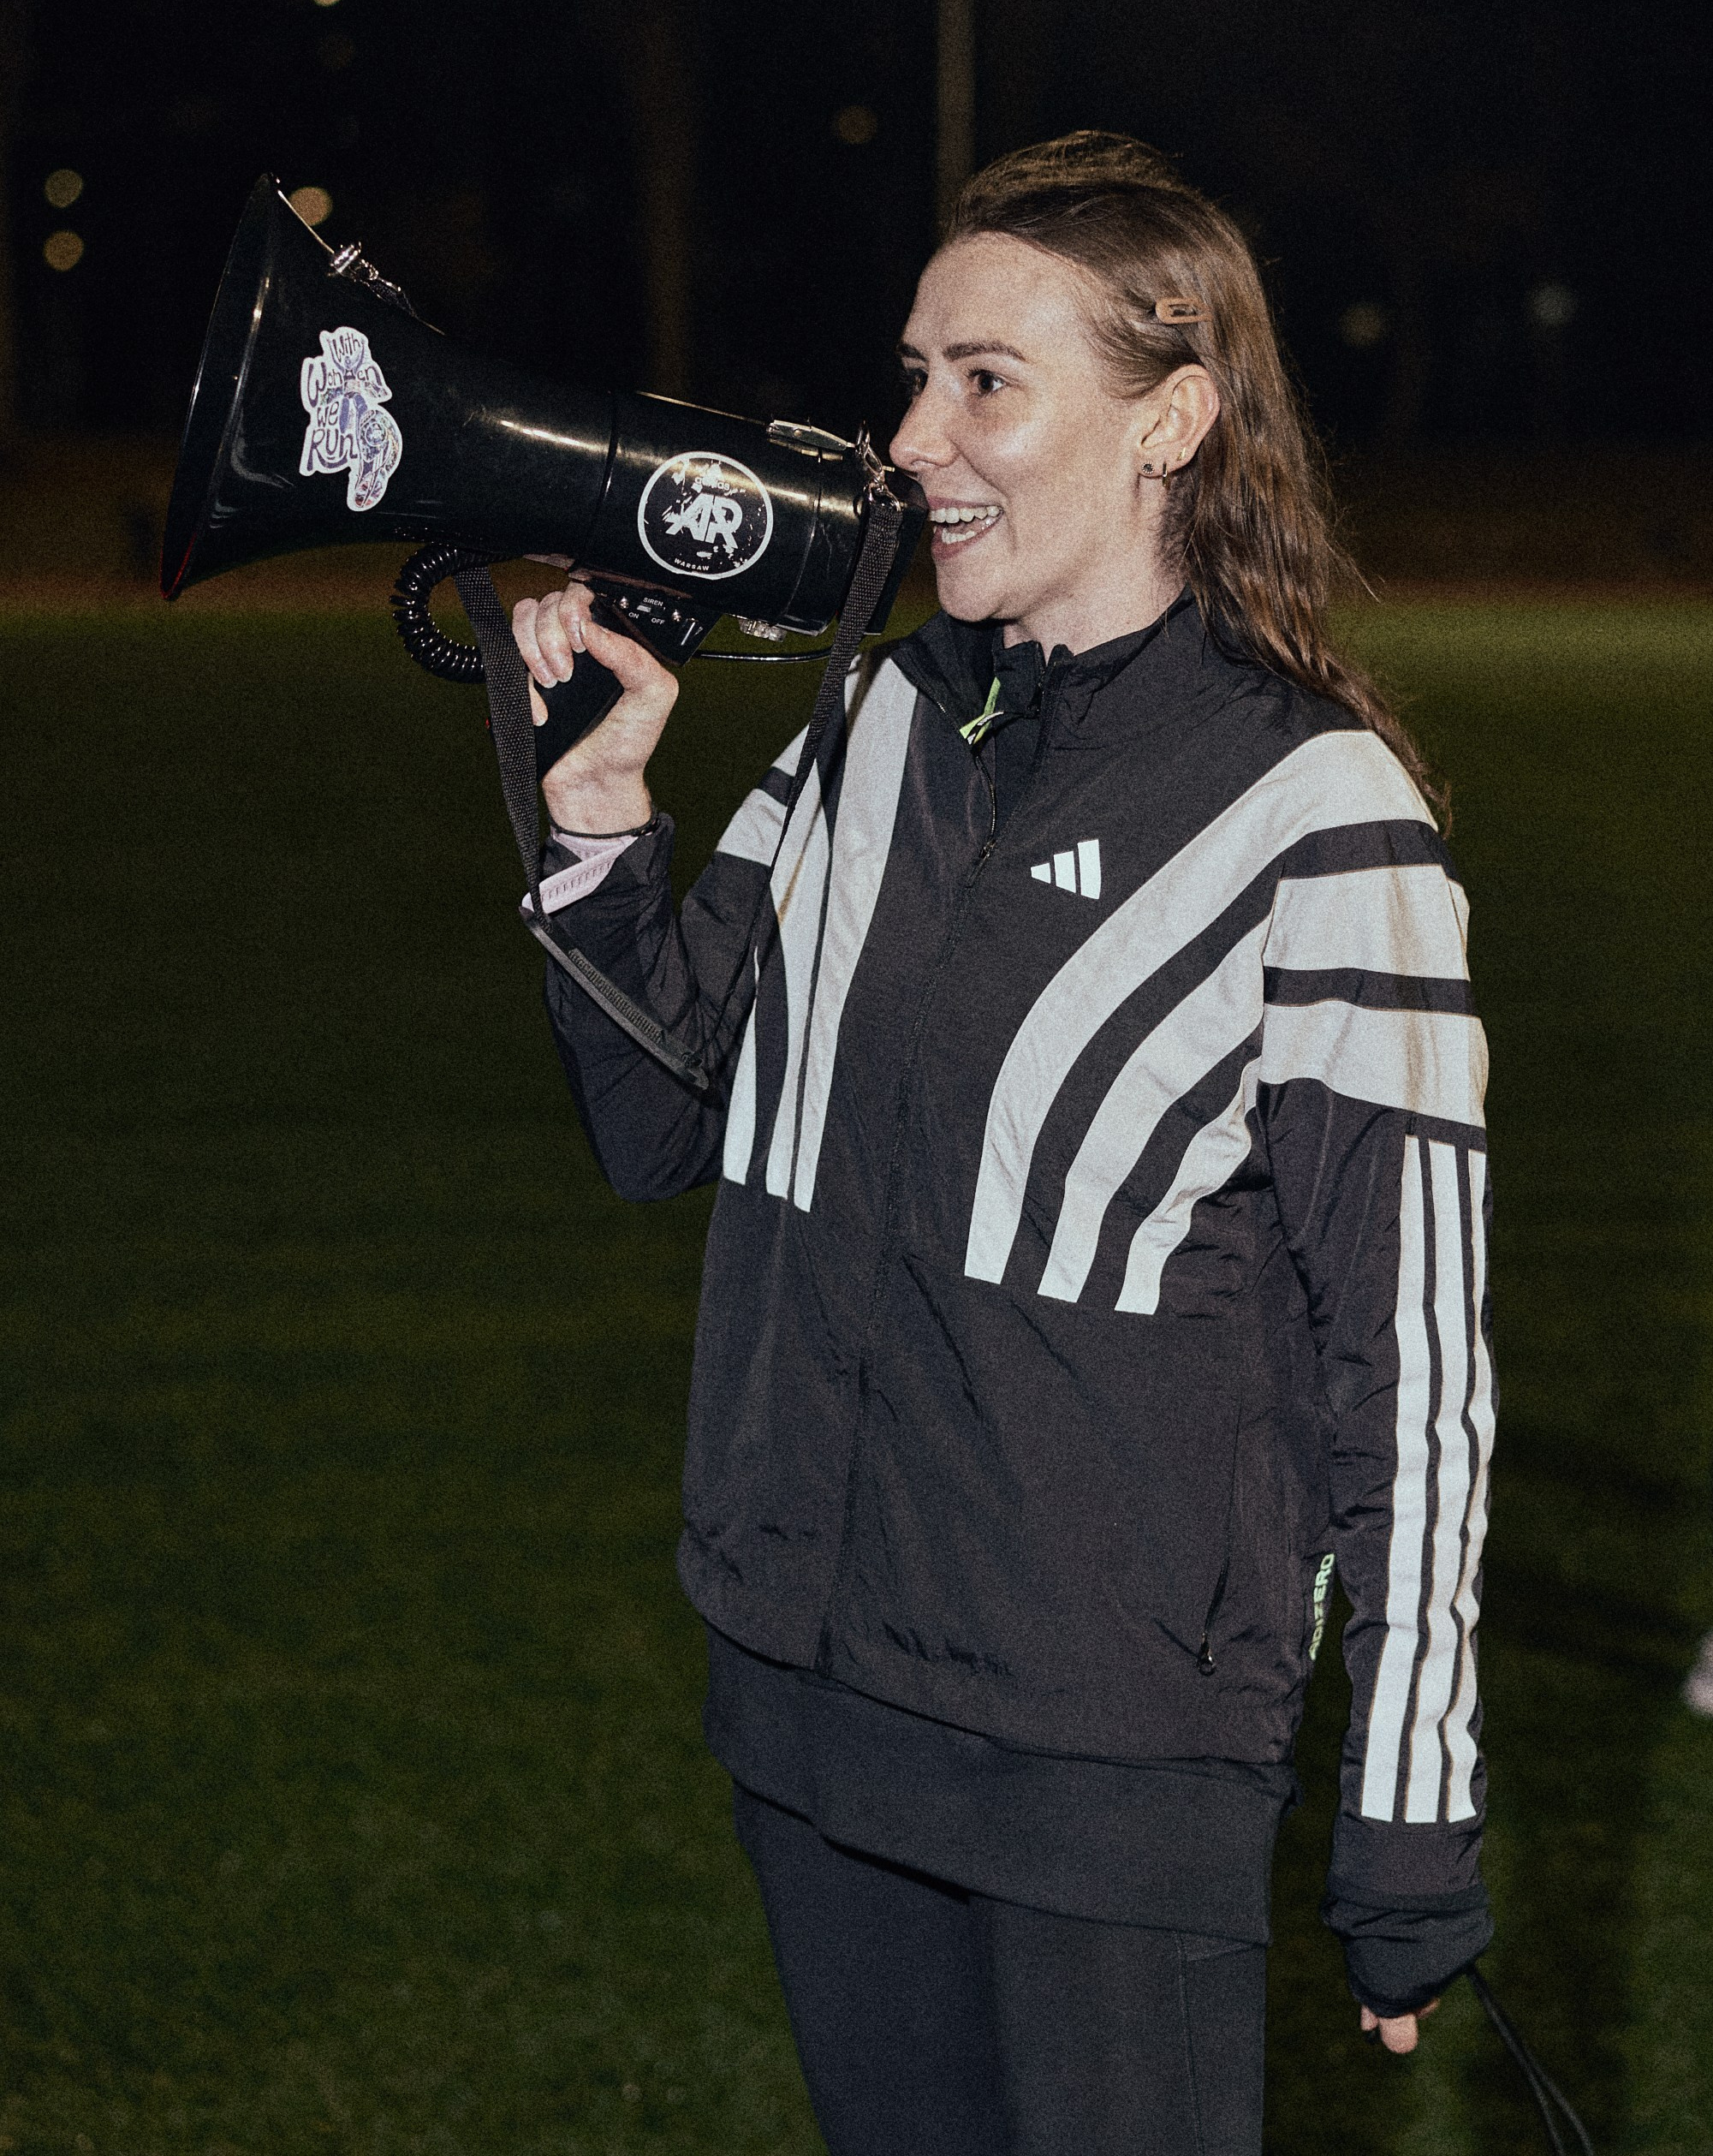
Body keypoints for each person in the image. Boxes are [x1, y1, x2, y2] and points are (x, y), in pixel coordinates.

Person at [511, 134, 1496, 2156]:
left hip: (1100, 1759)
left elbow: (1408, 1380)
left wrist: (1408, 1820)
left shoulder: (1322, 815)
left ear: (1173, 419)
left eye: (983, 382)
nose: (908, 441)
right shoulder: (873, 722)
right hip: (811, 1694)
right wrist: (598, 818)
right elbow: (661, 1115)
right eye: (911, 375)